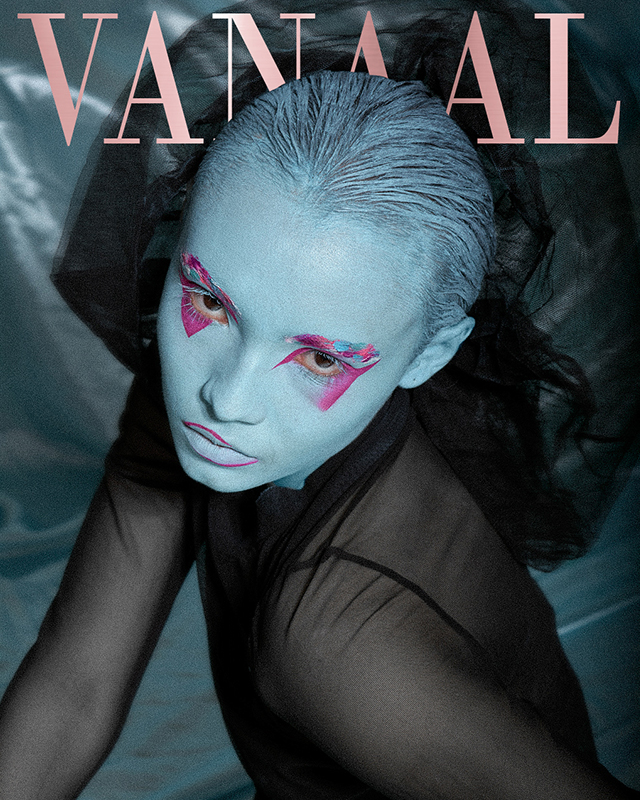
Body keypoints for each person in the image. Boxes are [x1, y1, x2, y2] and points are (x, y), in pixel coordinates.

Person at [0, 67, 637, 798]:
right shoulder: (188, 404)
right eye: (210, 302)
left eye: (319, 359)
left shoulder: (343, 649)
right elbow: (76, 690)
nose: (225, 398)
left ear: (430, 356)